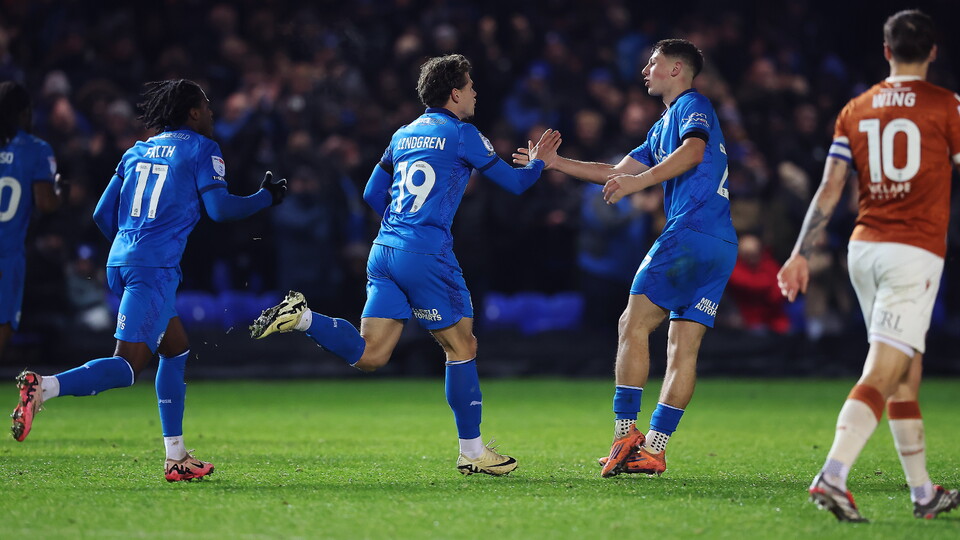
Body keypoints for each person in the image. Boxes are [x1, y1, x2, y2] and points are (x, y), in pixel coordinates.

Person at [250, 54, 560, 476]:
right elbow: (517, 183)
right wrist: (541, 161)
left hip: (384, 250)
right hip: (426, 254)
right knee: (462, 347)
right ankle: (472, 452)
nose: (475, 93)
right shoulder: (463, 134)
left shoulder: (404, 133)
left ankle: (302, 318)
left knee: (371, 354)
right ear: (455, 94)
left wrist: (401, 228)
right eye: (470, 86)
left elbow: (370, 193)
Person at [10, 79, 287, 482]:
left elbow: (101, 215)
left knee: (175, 349)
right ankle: (44, 386)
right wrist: (266, 198)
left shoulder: (136, 150)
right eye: (207, 105)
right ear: (193, 112)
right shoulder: (202, 148)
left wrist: (131, 248)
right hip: (153, 270)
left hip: (122, 261)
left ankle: (177, 457)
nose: (211, 112)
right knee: (127, 366)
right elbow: (220, 209)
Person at [515, 39, 737, 478]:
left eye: (653, 62)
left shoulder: (693, 104)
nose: (645, 70)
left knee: (631, 324)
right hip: (720, 243)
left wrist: (642, 183)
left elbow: (693, 152)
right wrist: (556, 163)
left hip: (690, 232)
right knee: (682, 348)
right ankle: (654, 448)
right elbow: (616, 172)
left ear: (677, 69)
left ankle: (625, 433)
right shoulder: (662, 127)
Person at [777, 10, 960, 522]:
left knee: (905, 372)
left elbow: (830, 188)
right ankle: (832, 475)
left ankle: (922, 493)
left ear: (886, 51)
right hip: (911, 253)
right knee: (884, 369)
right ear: (933, 51)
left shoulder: (856, 109)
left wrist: (800, 252)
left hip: (864, 250)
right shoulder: (947, 106)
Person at [0, 81, 66, 361]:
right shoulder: (36, 149)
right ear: (24, 112)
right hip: (7, 253)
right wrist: (60, 191)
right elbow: (45, 202)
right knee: (3, 324)